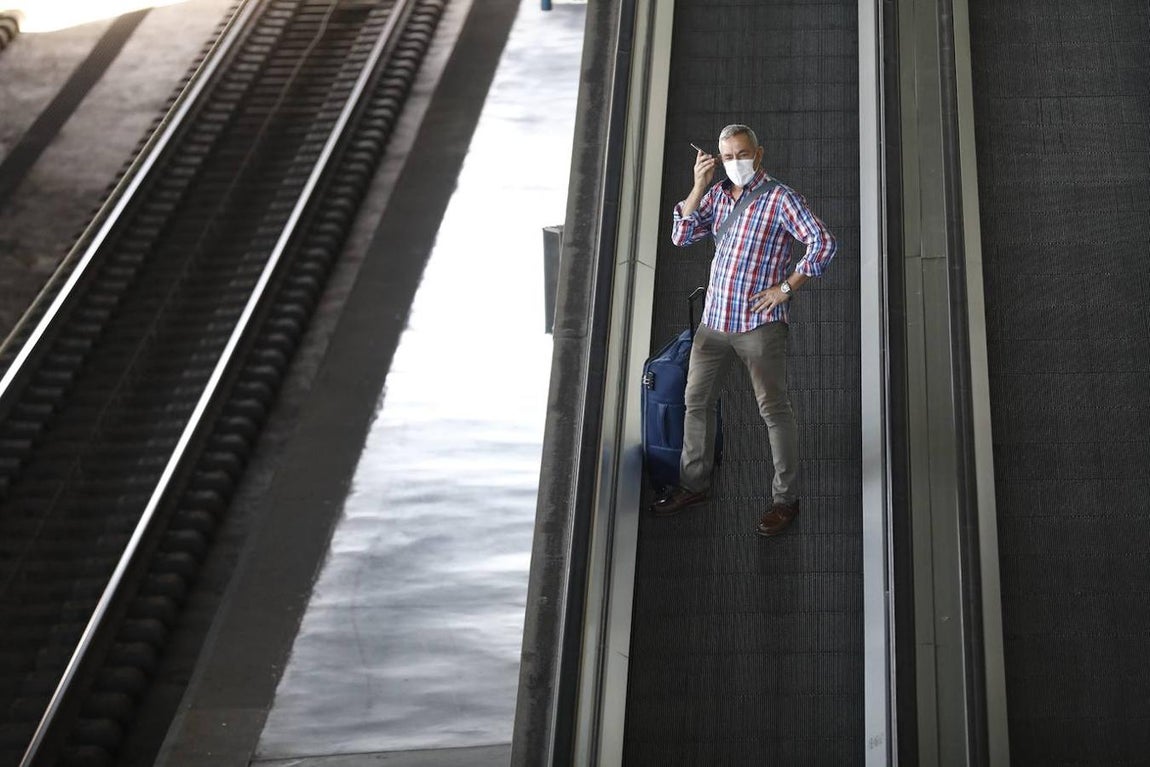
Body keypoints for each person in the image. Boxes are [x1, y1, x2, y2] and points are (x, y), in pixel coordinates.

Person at [650, 124, 837, 537]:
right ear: (717, 158)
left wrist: (785, 288)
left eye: (743, 153)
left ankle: (785, 500)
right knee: (695, 402)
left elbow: (822, 242)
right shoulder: (716, 196)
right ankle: (693, 485)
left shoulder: (780, 198)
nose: (736, 162)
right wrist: (698, 187)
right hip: (714, 321)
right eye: (728, 156)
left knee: (773, 411)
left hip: (758, 325)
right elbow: (681, 236)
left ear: (760, 153)